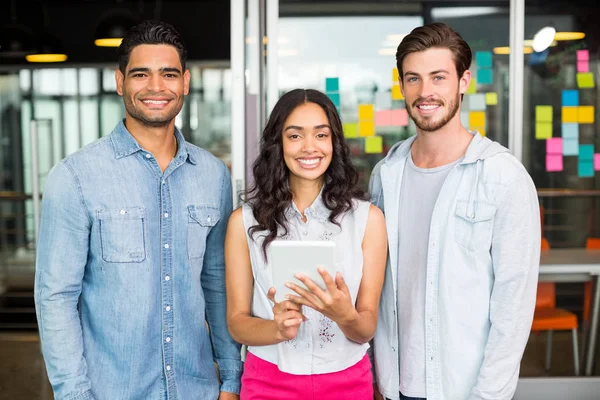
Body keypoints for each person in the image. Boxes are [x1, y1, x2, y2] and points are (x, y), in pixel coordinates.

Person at [34, 20, 242, 399]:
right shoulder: (76, 176)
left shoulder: (213, 175)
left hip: (197, 390)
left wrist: (230, 380)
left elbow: (217, 284)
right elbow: (55, 298)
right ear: (119, 82)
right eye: (141, 74)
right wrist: (74, 394)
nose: (156, 87)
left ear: (186, 82)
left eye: (169, 74)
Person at [370, 22, 540, 400]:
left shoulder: (502, 176)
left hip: (462, 388)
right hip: (394, 385)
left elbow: (513, 309)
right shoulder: (387, 174)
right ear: (401, 86)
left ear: (464, 81)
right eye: (413, 78)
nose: (425, 92)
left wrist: (488, 395)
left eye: (438, 77)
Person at [225, 89, 387, 400]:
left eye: (321, 135)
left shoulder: (368, 220)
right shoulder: (243, 223)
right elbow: (237, 323)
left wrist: (345, 315)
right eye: (295, 136)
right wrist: (276, 329)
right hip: (268, 382)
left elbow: (366, 327)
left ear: (334, 142)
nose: (309, 147)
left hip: (347, 382)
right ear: (279, 144)